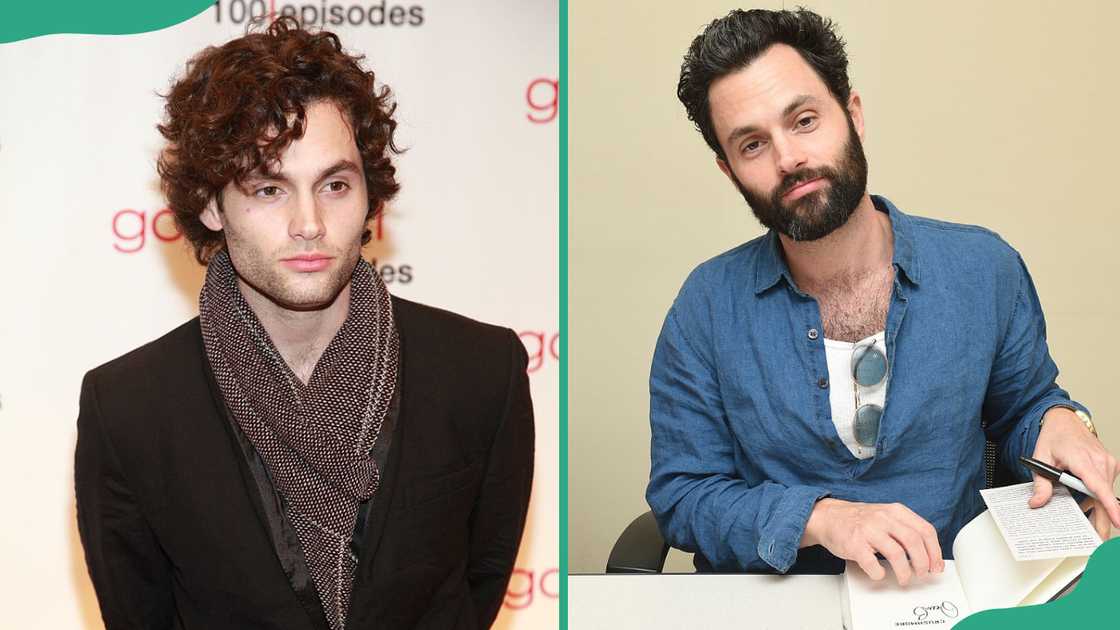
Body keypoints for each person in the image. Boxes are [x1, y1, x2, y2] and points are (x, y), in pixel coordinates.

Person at [74, 17, 533, 630]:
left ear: (370, 196)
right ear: (212, 204)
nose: (309, 223)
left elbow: (479, 584)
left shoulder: (483, 371)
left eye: (335, 185)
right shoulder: (128, 408)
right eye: (269, 189)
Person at [646, 8, 1118, 586]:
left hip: (951, 597)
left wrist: (1061, 422)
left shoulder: (983, 269)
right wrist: (820, 518)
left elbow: (1025, 408)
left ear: (853, 114)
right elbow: (684, 495)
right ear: (729, 171)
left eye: (805, 120)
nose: (788, 158)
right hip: (779, 604)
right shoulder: (705, 306)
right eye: (752, 145)